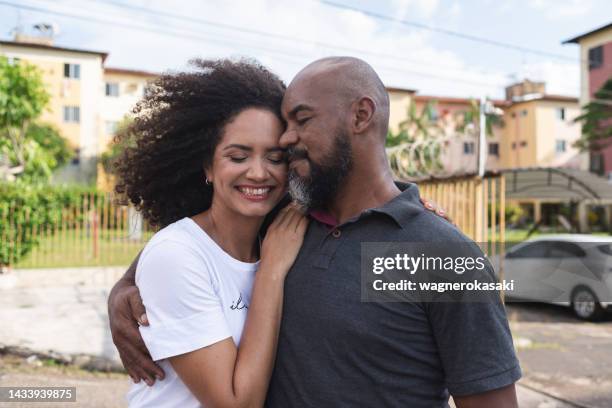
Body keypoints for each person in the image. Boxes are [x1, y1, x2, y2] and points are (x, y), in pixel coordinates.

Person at [109, 57, 521, 407]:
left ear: (361, 115)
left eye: (301, 120)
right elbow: (191, 246)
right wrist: (125, 289)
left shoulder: (442, 255)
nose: (287, 139)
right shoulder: (285, 227)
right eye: (284, 124)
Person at [113, 58, 308, 407]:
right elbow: (236, 404)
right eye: (238, 157)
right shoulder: (178, 254)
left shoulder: (281, 237)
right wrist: (273, 271)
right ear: (207, 165)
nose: (259, 173)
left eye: (275, 158)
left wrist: (408, 202)